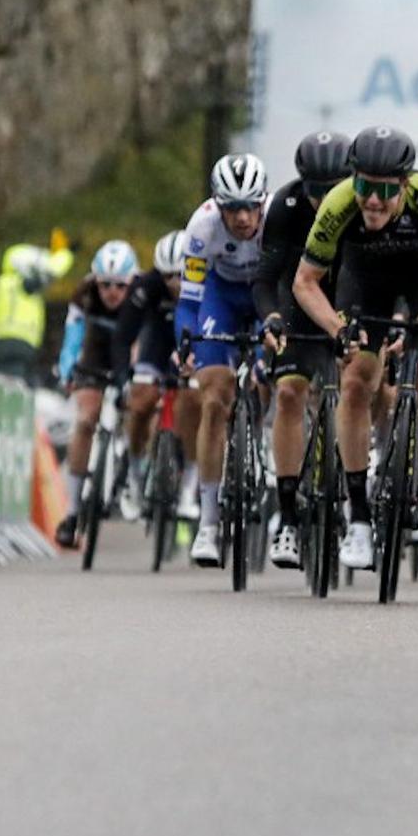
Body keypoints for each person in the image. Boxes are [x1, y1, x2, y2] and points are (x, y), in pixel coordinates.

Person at [292, 125, 418, 570]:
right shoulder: (339, 204)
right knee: (358, 379)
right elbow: (305, 283)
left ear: (405, 184)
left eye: (384, 190)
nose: (373, 200)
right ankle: (359, 517)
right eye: (364, 186)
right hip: (365, 280)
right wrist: (335, 328)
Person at [255, 129, 353, 569]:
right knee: (290, 393)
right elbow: (266, 275)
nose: (321, 201)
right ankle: (290, 519)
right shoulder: (286, 205)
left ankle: (358, 463)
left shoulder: (363, 206)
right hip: (298, 298)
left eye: (331, 191)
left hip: (350, 296)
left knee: (363, 382)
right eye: (314, 190)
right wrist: (271, 317)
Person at [176, 153, 271, 568]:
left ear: (262, 201)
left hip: (268, 296)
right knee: (213, 399)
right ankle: (209, 523)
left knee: (275, 381)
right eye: (233, 208)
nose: (243, 217)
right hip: (223, 297)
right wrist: (186, 342)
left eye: (251, 206)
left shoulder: (279, 219)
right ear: (218, 204)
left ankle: (263, 443)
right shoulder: (201, 227)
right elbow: (189, 299)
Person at [54, 240, 139, 549]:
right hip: (96, 352)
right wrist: (66, 371)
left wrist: (137, 374)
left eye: (119, 285)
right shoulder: (84, 293)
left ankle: (130, 471)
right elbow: (72, 338)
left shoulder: (141, 294)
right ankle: (73, 512)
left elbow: (147, 339)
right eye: (105, 284)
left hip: (131, 350)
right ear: (95, 280)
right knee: (86, 419)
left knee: (138, 407)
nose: (112, 292)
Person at [108, 230, 192, 522]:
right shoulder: (146, 286)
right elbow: (122, 337)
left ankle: (190, 487)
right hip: (156, 345)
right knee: (140, 403)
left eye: (181, 276)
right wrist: (123, 380)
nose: (175, 284)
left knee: (194, 406)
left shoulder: (208, 283)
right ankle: (134, 475)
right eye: (168, 276)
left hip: (192, 345)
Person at [0, 232, 74, 380]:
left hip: (1, 342)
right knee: (15, 385)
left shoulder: (3, 283)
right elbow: (53, 270)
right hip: (19, 342)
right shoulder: (22, 284)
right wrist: (65, 253)